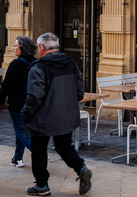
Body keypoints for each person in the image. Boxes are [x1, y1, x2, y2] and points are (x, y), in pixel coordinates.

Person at [22, 32, 92, 196]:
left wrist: (25, 114)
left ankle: (42, 185)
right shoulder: (71, 63)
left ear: (41, 47)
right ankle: (81, 168)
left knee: (39, 150)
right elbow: (80, 91)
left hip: (42, 117)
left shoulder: (39, 67)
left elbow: (34, 97)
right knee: (64, 146)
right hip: (65, 115)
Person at [0, 35, 37, 168]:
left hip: (17, 104)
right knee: (21, 130)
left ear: (22, 48)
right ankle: (17, 158)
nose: (14, 48)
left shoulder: (16, 64)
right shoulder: (36, 63)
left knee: (20, 130)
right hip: (33, 103)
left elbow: (6, 85)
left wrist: (0, 100)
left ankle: (38, 152)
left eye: (15, 46)